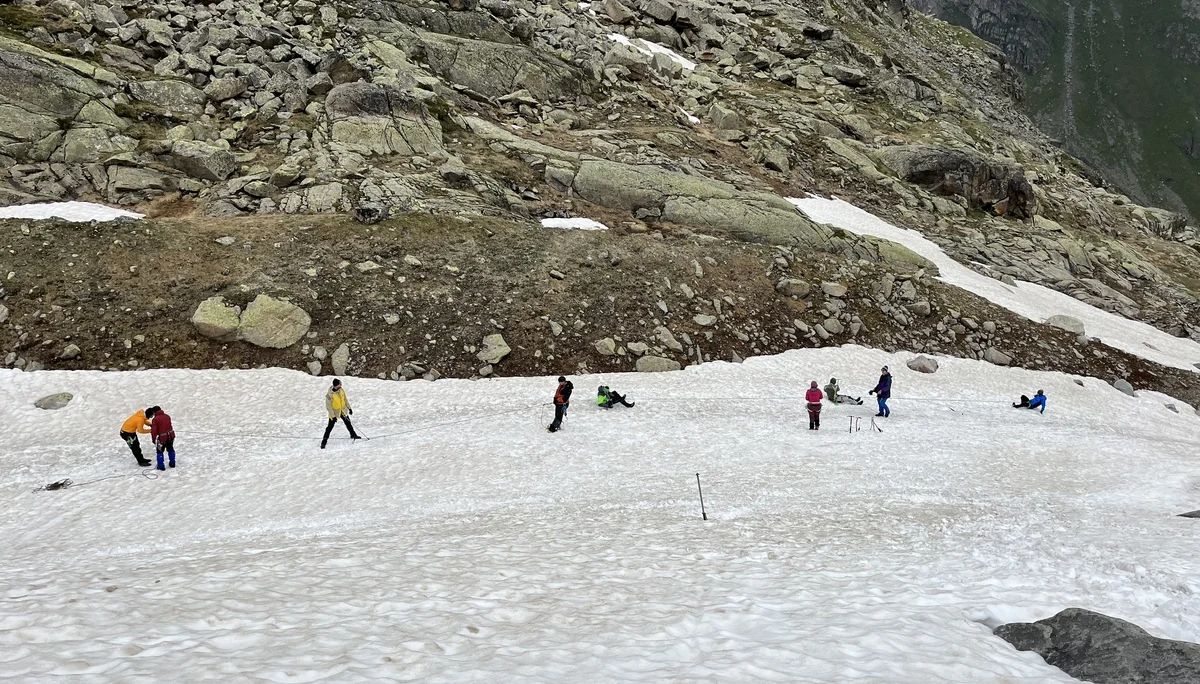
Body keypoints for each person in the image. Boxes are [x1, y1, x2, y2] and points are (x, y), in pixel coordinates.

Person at [321, 378, 360, 449]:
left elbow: (345, 399)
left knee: (348, 423)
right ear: (336, 385)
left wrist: (349, 408)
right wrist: (333, 416)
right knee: (329, 427)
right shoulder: (329, 395)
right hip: (334, 413)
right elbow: (329, 407)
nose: (341, 385)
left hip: (343, 411)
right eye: (340, 384)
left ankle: (353, 435)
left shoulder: (341, 390)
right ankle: (324, 441)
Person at [148, 406, 176, 471]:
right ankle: (172, 463)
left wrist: (153, 439)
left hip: (162, 439)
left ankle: (161, 466)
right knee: (170, 449)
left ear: (154, 412)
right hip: (170, 436)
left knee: (159, 452)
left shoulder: (155, 419)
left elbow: (154, 431)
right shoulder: (167, 416)